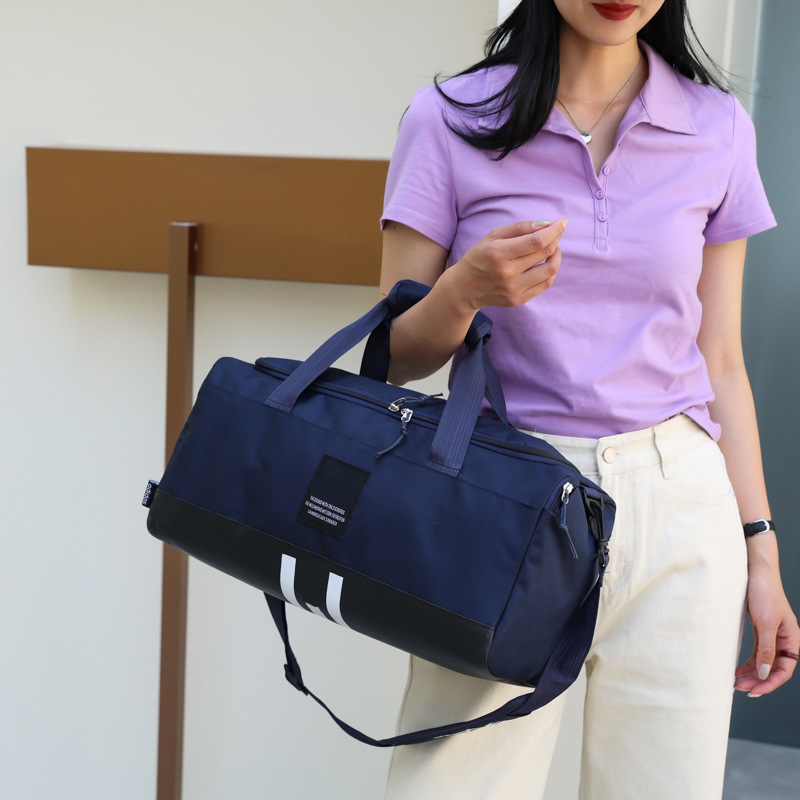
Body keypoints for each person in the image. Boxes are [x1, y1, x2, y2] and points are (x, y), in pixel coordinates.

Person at [377, 1, 799, 798]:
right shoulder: (449, 119)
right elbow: (391, 356)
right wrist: (465, 289)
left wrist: (762, 553)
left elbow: (721, 360)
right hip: (505, 502)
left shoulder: (717, 127)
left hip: (680, 508)